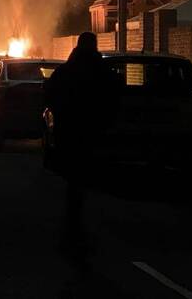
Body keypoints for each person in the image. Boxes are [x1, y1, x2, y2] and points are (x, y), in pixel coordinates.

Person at [44, 32, 119, 260]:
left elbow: (49, 94)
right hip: (92, 131)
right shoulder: (103, 71)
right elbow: (113, 98)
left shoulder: (66, 70)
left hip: (69, 130)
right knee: (85, 175)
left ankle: (74, 224)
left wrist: (60, 115)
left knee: (74, 178)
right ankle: (80, 225)